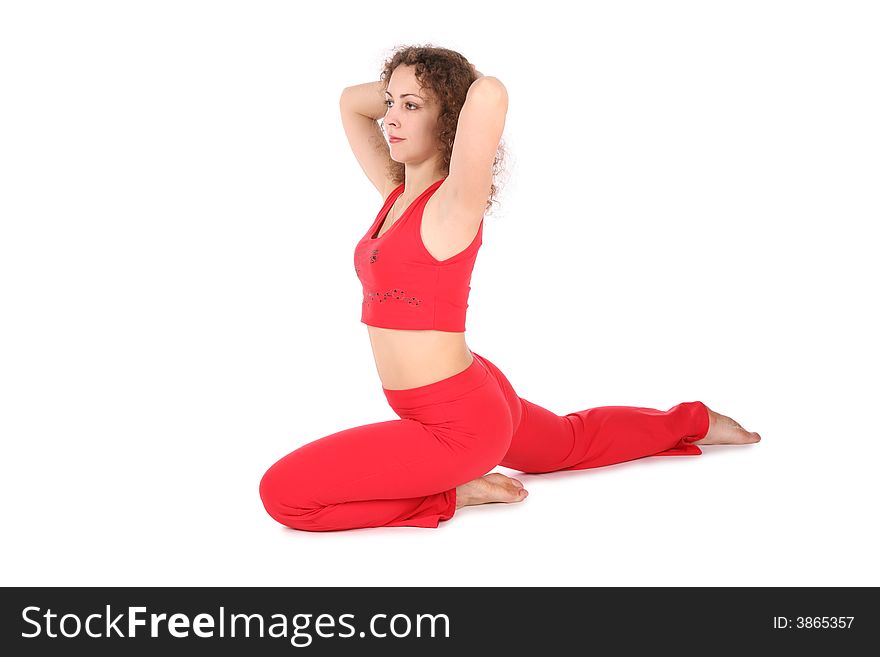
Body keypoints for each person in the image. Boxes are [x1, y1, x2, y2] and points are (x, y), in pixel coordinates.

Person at [259, 45, 761, 532]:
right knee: (570, 441)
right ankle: (694, 422)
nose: (390, 117)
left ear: (451, 119)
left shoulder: (454, 206)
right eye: (390, 103)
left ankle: (451, 491)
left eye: (411, 107)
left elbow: (491, 94)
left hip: (457, 427)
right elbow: (351, 101)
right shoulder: (397, 197)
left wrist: (449, 85)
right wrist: (410, 90)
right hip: (475, 389)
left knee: (284, 496)